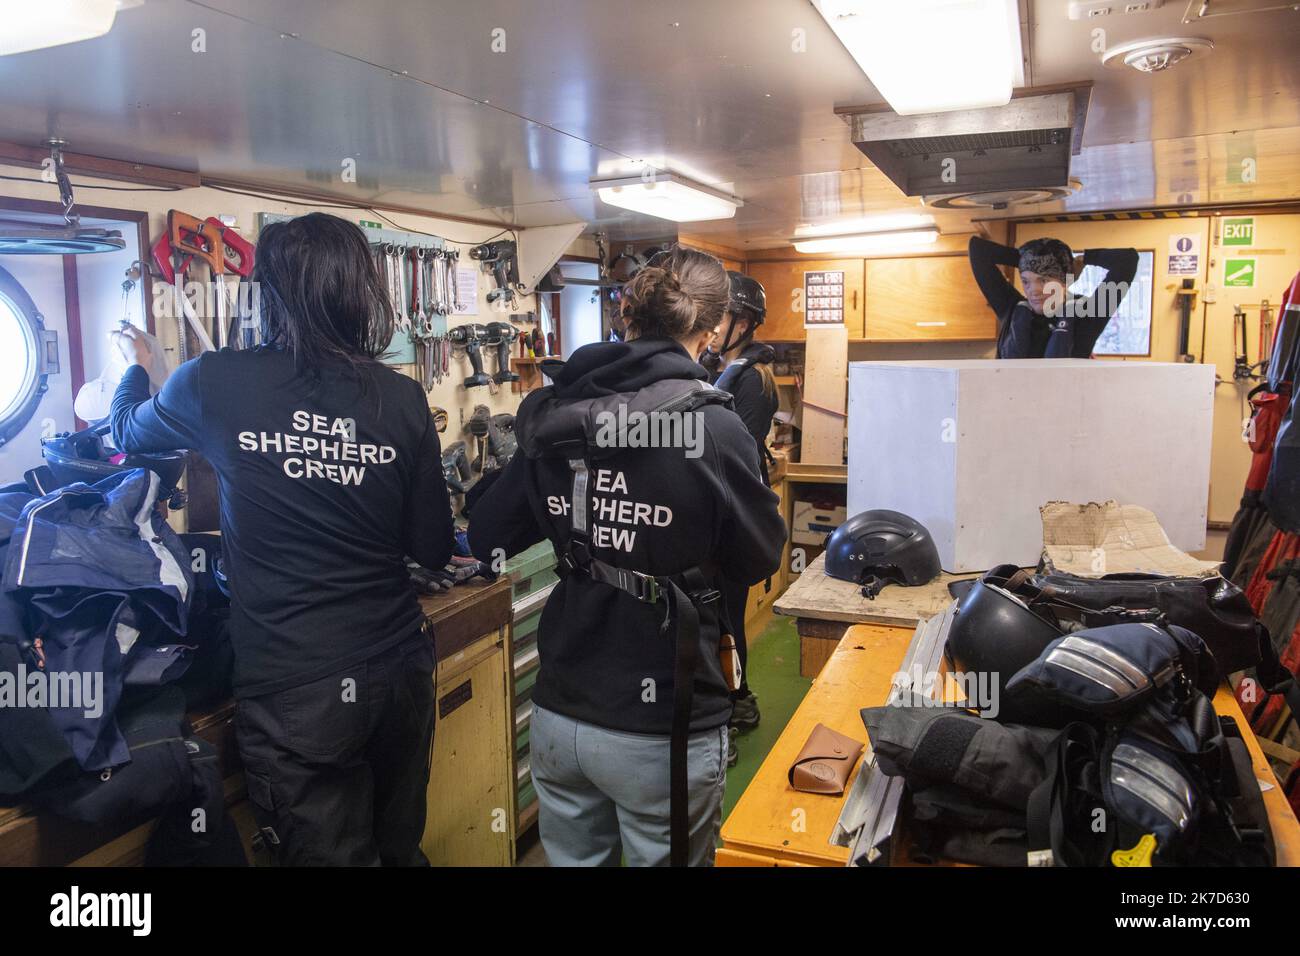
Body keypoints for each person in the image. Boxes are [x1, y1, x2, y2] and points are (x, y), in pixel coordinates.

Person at [110, 212, 454, 866]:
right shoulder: (402, 399)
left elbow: (126, 432)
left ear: (264, 294)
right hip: (398, 675)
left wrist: (140, 366)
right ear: (363, 291)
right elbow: (433, 549)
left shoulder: (212, 383)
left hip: (298, 690)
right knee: (400, 853)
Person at [468, 246, 785, 866]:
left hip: (560, 717)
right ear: (715, 325)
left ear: (627, 316)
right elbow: (759, 559)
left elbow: (487, 536)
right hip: (662, 725)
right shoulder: (713, 428)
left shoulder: (553, 412)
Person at [702, 271, 779, 766]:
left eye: (722, 315)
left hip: (733, 520)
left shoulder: (751, 379)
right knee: (720, 616)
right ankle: (740, 698)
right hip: (721, 514)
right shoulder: (725, 372)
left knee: (726, 619)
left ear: (744, 322)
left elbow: (738, 455)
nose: (711, 326)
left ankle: (732, 710)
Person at [968, 235, 1139, 359]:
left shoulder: (1088, 315)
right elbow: (978, 250)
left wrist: (1083, 259)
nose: (1033, 290)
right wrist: (1026, 258)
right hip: (1009, 405)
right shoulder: (1012, 308)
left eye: (1043, 280)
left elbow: (1127, 260)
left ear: (1064, 281)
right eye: (1026, 281)